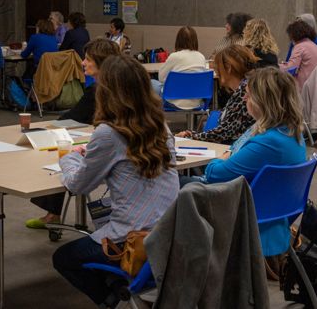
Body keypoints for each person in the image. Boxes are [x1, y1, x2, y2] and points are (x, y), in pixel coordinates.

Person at [52, 55, 179, 306]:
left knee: (63, 258)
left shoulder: (108, 133)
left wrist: (68, 159)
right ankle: (119, 287)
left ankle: (109, 298)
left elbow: (77, 186)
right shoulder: (160, 126)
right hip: (168, 234)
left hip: (131, 240)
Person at [189, 67, 306, 260]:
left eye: (249, 96)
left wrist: (225, 156)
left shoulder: (268, 142)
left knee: (176, 185)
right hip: (271, 213)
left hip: (241, 212)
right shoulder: (293, 135)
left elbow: (214, 174)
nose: (244, 100)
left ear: (264, 102)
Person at [26, 38, 120, 230]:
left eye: (87, 59)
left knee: (64, 158)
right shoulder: (121, 89)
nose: (83, 63)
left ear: (101, 63)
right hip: (113, 148)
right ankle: (52, 214)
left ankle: (52, 214)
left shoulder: (97, 91)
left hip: (104, 148)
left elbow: (72, 117)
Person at [176, 45, 258, 144]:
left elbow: (224, 132)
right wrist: (192, 135)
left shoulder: (244, 92)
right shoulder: (244, 88)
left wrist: (191, 136)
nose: (216, 71)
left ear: (228, 68)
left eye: (217, 67)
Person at [152, 26, 206, 109]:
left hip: (173, 101)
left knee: (151, 82)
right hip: (196, 101)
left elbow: (161, 78)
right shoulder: (201, 57)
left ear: (178, 40)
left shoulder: (174, 56)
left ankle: (148, 118)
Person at [280, 19, 317, 91]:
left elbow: (291, 68)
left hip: (304, 89)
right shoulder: (315, 46)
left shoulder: (300, 47)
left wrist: (276, 66)